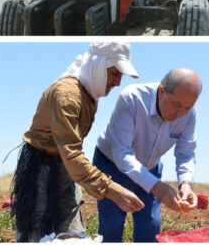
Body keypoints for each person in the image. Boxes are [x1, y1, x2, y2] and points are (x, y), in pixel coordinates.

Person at [10, 42, 145, 242]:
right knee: (35, 235)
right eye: (115, 73)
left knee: (72, 235)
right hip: (40, 170)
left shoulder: (89, 93)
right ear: (98, 66)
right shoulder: (67, 95)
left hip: (66, 168)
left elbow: (70, 155)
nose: (118, 82)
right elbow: (72, 153)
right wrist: (113, 191)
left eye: (121, 76)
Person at [94, 68, 201, 242]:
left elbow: (186, 152)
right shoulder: (132, 98)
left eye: (188, 107)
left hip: (150, 168)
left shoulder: (189, 114)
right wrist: (157, 187)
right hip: (111, 165)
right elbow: (122, 153)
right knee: (112, 227)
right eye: (177, 105)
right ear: (161, 91)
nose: (181, 113)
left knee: (151, 227)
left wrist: (186, 184)